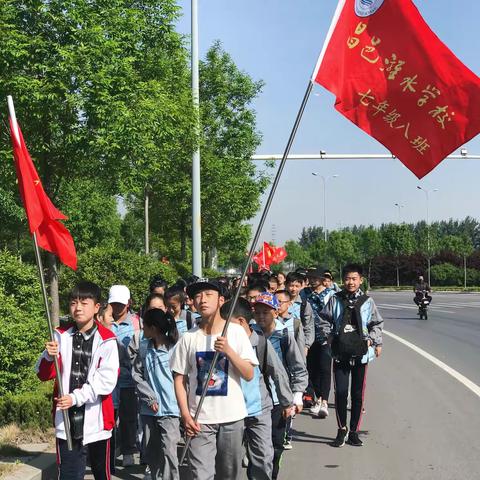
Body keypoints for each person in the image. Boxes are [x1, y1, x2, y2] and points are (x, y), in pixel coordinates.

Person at [170, 279, 258, 480]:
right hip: (199, 419)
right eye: (198, 296)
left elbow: (248, 373)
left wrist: (229, 352)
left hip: (232, 417)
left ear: (221, 300)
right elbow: (179, 378)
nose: (202, 300)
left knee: (228, 474)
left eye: (208, 295)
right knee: (201, 475)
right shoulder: (188, 338)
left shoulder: (235, 332)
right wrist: (185, 414)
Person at [36, 281, 119, 480]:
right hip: (66, 418)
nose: (78, 307)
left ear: (97, 307)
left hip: (97, 417)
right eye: (74, 302)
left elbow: (106, 380)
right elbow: (42, 373)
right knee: (69, 473)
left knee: (101, 473)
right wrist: (49, 356)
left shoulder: (107, 339)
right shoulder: (60, 335)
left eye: (84, 302)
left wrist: (76, 397)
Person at [220, 298, 294, 480]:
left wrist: (286, 403)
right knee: (230, 461)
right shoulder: (222, 345)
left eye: (226, 323)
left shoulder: (260, 343)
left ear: (240, 322)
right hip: (231, 412)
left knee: (262, 457)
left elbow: (278, 373)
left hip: (259, 409)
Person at [318, 264, 384, 448]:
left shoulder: (367, 301)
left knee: (357, 394)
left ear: (360, 280)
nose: (350, 282)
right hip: (340, 353)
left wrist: (374, 341)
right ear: (343, 279)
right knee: (340, 392)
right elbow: (323, 319)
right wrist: (328, 338)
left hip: (361, 354)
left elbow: (377, 323)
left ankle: (354, 431)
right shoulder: (335, 299)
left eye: (354, 278)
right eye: (347, 278)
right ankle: (342, 429)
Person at [251, 292, 308, 478]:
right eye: (257, 312)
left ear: (276, 313)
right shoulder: (248, 334)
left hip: (278, 399)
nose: (261, 316)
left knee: (275, 446)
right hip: (253, 399)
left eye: (265, 312)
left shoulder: (284, 335)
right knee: (256, 448)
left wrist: (296, 396)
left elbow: (298, 367)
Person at [132, 309, 180, 480]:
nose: (142, 329)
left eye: (144, 326)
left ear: (153, 328)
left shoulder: (175, 347)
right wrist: (149, 397)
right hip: (149, 410)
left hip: (171, 409)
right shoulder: (144, 347)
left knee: (169, 451)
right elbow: (136, 375)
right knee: (152, 451)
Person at [109, 285, 141, 467]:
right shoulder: (103, 321)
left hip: (129, 379)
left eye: (120, 303)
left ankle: (129, 450)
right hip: (108, 381)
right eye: (113, 303)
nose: (117, 307)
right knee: (109, 418)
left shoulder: (137, 323)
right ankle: (112, 450)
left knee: (129, 418)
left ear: (128, 303)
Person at [305, 267, 335, 418]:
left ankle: (324, 401)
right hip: (309, 337)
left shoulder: (332, 295)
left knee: (324, 369)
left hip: (326, 337)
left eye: (315, 277)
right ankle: (318, 397)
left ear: (323, 279)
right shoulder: (306, 294)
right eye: (310, 277)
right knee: (312, 369)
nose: (312, 280)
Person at [285, 272, 315, 355]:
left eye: (297, 286)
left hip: (299, 341)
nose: (293, 289)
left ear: (301, 286)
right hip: (282, 339)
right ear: (286, 285)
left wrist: (306, 346)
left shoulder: (304, 304)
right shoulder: (280, 302)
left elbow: (309, 326)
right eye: (291, 285)